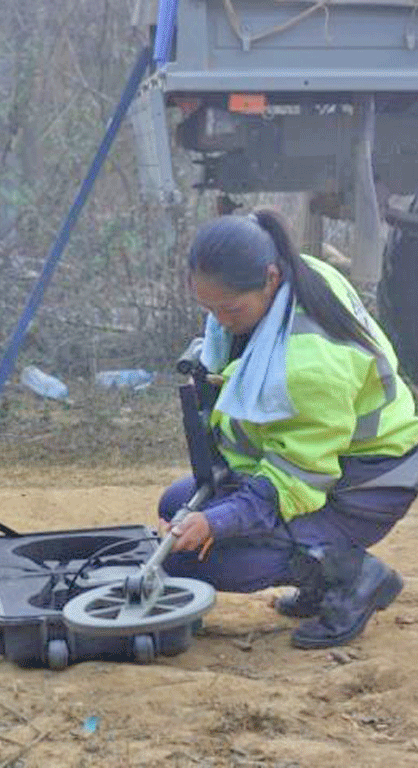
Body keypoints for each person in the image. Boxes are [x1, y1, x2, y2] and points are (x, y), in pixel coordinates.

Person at [158, 208, 418, 649]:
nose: (219, 322)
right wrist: (209, 513)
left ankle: (353, 575)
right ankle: (320, 567)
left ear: (271, 278)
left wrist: (216, 523)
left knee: (198, 563)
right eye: (209, 308)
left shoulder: (307, 367)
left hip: (368, 484)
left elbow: (289, 486)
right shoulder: (299, 276)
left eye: (230, 309)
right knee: (176, 503)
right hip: (335, 465)